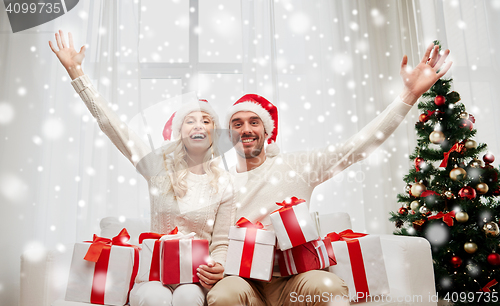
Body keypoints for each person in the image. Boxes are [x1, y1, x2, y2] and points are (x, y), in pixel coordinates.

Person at [206, 43, 452, 306]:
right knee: (223, 295)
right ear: (229, 134)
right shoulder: (222, 182)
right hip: (245, 282)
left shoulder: (297, 166)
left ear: (267, 132)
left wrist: (408, 96)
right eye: (237, 123)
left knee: (328, 287)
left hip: (295, 280)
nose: (246, 129)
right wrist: (219, 265)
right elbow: (220, 241)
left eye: (254, 122)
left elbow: (356, 147)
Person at [49, 30, 235, 306]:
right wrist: (76, 72)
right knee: (152, 297)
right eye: (190, 120)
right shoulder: (157, 165)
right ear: (179, 131)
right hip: (153, 275)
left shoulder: (224, 184)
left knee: (187, 297)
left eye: (206, 120)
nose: (198, 125)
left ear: (214, 132)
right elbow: (112, 126)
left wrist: (218, 265)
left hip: (194, 278)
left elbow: (221, 242)